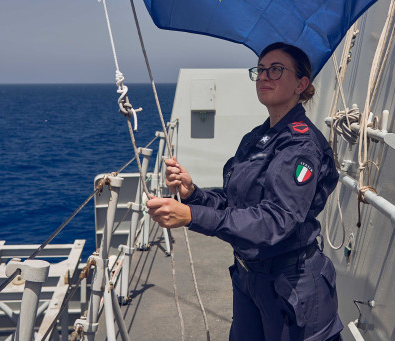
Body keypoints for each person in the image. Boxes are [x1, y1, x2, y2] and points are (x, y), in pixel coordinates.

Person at [146, 42, 343, 341]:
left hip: (290, 284)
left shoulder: (302, 147)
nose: (264, 76)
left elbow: (276, 220)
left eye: (276, 70)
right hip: (250, 279)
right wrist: (193, 194)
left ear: (301, 84)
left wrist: (190, 215)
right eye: (260, 70)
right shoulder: (258, 138)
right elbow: (236, 200)